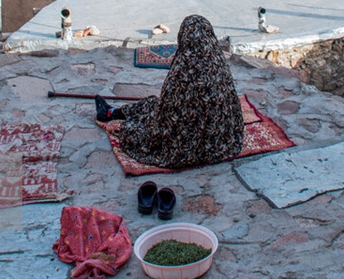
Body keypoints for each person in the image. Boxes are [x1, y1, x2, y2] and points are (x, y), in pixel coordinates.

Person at [96, 15, 244, 169]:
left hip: (188, 142)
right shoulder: (217, 61)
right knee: (152, 105)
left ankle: (111, 113)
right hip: (221, 139)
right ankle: (113, 112)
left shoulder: (183, 69)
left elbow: (168, 110)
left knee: (145, 118)